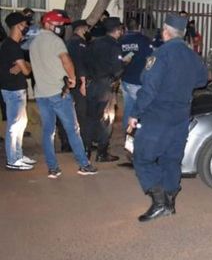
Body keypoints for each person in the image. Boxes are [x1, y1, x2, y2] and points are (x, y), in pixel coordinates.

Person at [128, 14, 207, 222]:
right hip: (181, 116)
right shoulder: (192, 56)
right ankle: (170, 202)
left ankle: (161, 203)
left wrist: (135, 113)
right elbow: (202, 80)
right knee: (171, 159)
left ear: (165, 32)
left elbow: (149, 88)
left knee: (142, 158)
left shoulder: (161, 54)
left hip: (158, 116)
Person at [29, 10, 97, 178]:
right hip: (58, 93)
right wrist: (73, 79)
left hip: (41, 93)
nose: (61, 27)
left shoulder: (34, 41)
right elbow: (66, 60)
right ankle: (84, 164)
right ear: (47, 23)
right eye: (58, 24)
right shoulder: (55, 41)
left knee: (48, 131)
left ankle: (53, 168)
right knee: (73, 129)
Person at [85, 17, 124, 162]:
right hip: (105, 85)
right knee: (106, 119)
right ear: (118, 30)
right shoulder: (114, 46)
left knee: (90, 118)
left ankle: (86, 150)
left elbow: (86, 62)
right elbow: (117, 69)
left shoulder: (94, 43)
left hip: (91, 84)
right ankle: (102, 152)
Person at [0, 12, 36, 170]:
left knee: (21, 124)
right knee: (14, 125)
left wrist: (24, 65)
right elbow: (27, 71)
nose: (26, 27)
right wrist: (26, 65)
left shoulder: (12, 45)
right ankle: (13, 159)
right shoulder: (11, 46)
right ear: (17, 26)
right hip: (13, 90)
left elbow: (23, 68)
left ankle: (18, 155)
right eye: (24, 24)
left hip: (17, 89)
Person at [57, 19, 90, 152]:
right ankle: (79, 143)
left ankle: (65, 142)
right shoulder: (80, 43)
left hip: (67, 82)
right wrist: (82, 83)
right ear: (82, 29)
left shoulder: (68, 42)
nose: (88, 32)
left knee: (65, 113)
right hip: (76, 82)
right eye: (87, 29)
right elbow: (80, 64)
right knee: (81, 114)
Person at [119, 18, 152, 133]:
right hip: (138, 81)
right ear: (139, 27)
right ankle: (136, 135)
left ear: (126, 28)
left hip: (125, 80)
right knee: (141, 109)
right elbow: (150, 60)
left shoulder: (121, 40)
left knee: (129, 107)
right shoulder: (144, 40)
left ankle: (126, 132)